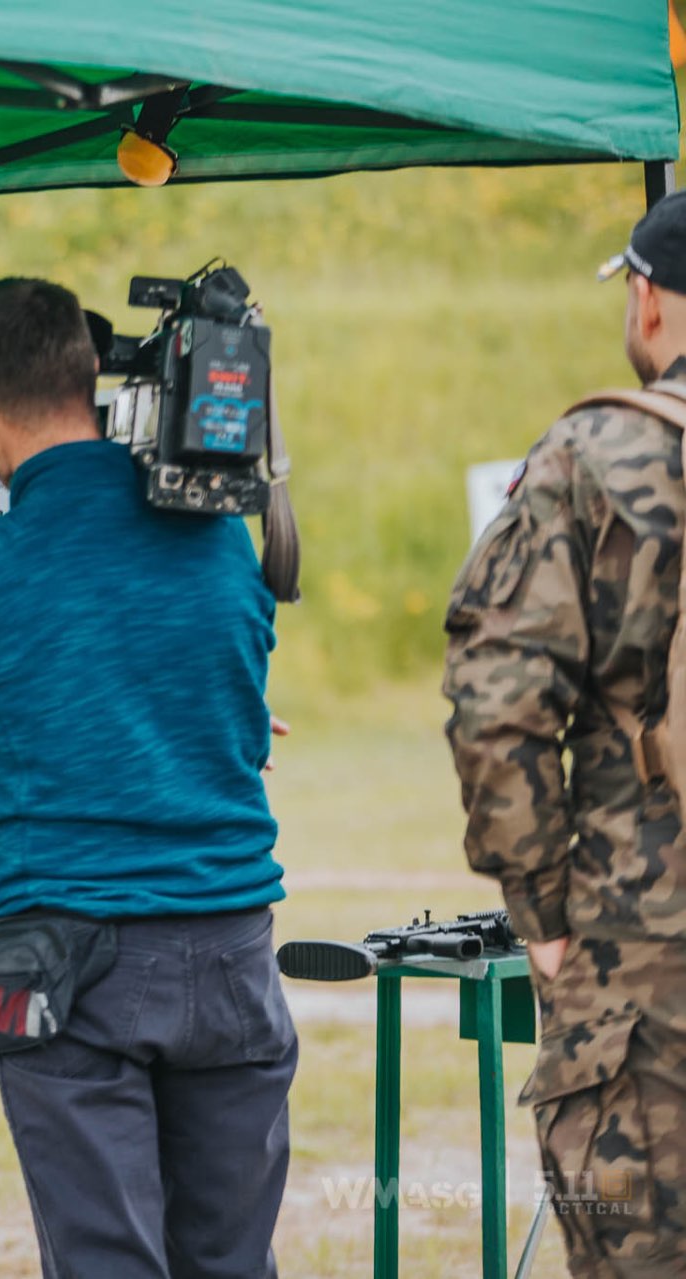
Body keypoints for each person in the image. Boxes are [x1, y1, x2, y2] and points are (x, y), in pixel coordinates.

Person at [0, 278, 295, 1279]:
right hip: (234, 952)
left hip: (67, 970)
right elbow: (240, 732)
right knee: (232, 1263)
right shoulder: (220, 539)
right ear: (89, 378)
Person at [445, 192, 686, 1277]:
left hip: (641, 948)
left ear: (648, 300)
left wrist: (539, 911)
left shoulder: (597, 453)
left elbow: (498, 693)